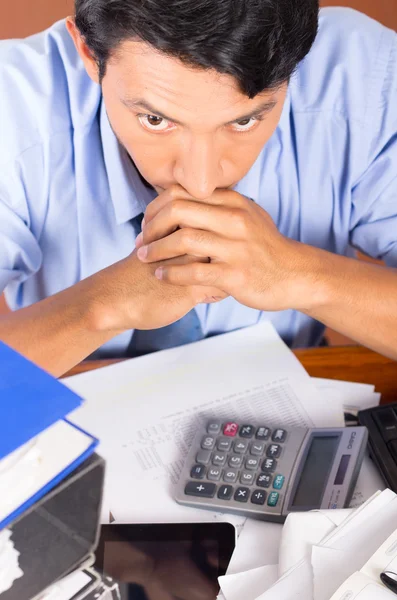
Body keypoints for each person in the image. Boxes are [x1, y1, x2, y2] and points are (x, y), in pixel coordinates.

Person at [0, 0, 396, 377]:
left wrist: (302, 276)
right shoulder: (12, 103)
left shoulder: (364, 75)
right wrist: (104, 306)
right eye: (155, 119)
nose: (200, 182)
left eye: (244, 121)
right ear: (88, 52)